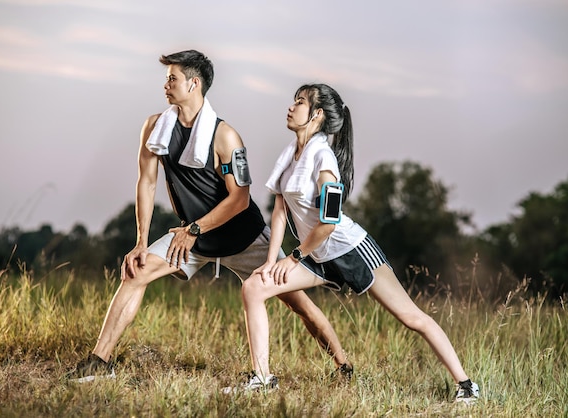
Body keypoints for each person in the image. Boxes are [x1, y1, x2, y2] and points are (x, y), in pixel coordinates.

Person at [65, 51, 352, 383]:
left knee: (297, 303)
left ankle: (343, 366)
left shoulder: (226, 137)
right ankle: (99, 364)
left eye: (173, 78)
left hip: (241, 238)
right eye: (167, 78)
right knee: (136, 272)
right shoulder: (155, 127)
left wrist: (195, 228)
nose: (166, 85)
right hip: (192, 238)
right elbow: (146, 182)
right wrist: (141, 241)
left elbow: (241, 199)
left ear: (194, 83)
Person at [238, 83, 480, 403]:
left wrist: (293, 257)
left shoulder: (323, 160)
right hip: (315, 253)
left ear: (317, 115)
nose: (291, 107)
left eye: (299, 102)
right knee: (254, 287)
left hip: (350, 250)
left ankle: (467, 385)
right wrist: (271, 261)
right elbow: (280, 210)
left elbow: (329, 223)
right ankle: (262, 377)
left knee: (411, 318)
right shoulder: (289, 155)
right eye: (293, 101)